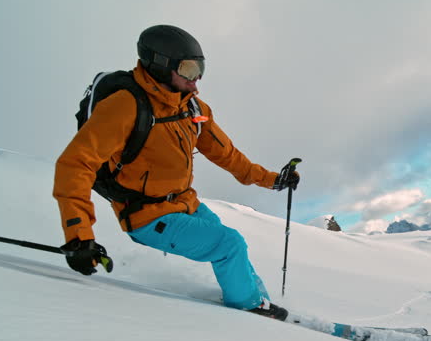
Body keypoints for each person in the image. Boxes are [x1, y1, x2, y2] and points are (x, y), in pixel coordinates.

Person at [53, 25, 298, 318]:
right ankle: (249, 309)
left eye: (200, 69)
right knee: (228, 243)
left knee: (230, 244)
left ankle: (259, 301)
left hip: (184, 203)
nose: (196, 80)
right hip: (146, 215)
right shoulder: (126, 106)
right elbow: (75, 164)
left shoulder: (192, 106)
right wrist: (79, 235)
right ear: (160, 65)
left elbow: (226, 154)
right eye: (189, 69)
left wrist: (272, 179)